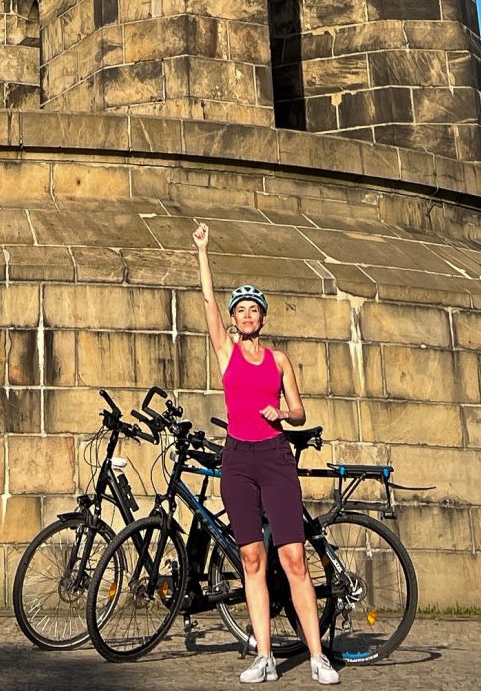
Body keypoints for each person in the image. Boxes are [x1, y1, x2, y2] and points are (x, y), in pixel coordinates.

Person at [193, 221, 340, 686]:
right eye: (240, 310)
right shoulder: (226, 352)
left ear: (262, 319)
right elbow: (207, 303)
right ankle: (264, 656)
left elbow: (299, 411)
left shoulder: (279, 360)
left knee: (294, 558)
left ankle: (318, 656)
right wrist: (202, 252)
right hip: (238, 461)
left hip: (275, 458)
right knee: (252, 560)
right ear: (234, 319)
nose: (246, 315)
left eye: (253, 310)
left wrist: (283, 413)